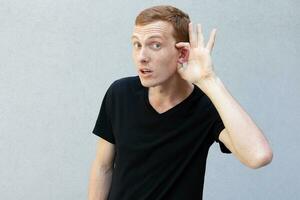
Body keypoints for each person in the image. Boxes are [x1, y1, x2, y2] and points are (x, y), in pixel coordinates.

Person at [88, 5, 273, 200]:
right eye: (137, 44)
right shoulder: (120, 93)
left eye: (155, 45)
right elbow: (103, 167)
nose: (142, 57)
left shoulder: (206, 106)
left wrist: (208, 80)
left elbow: (258, 156)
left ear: (182, 53)